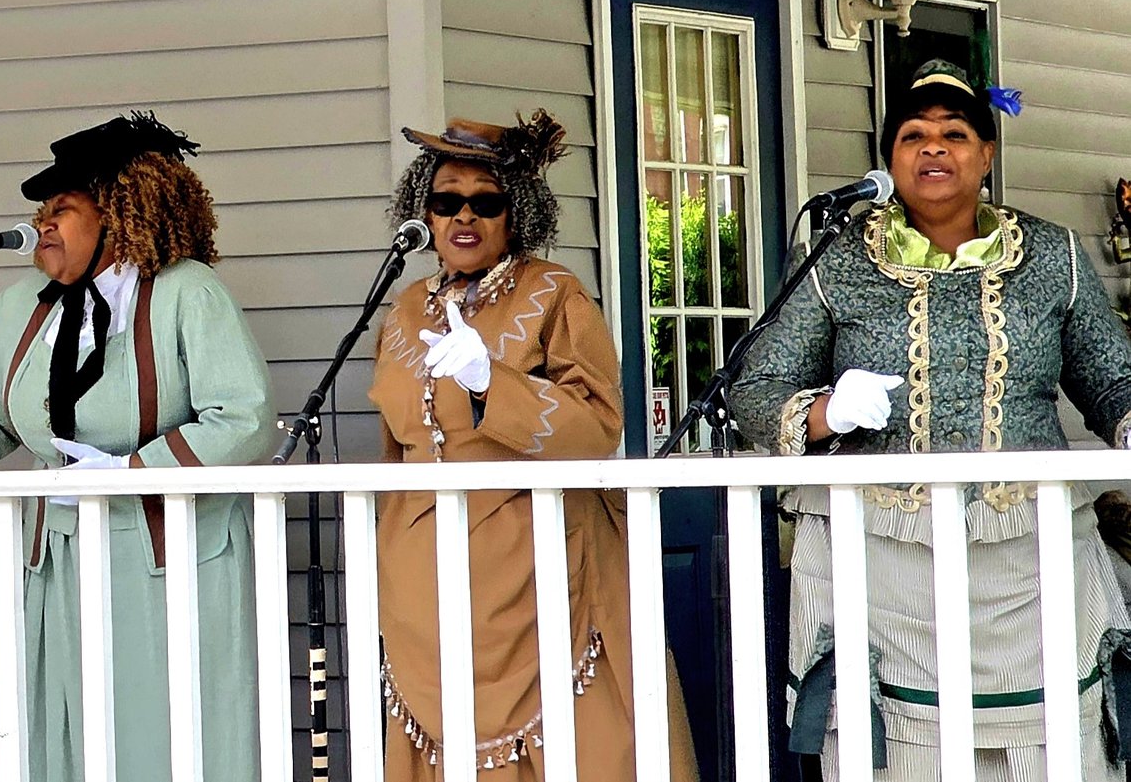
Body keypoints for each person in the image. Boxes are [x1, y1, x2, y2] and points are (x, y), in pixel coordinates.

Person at [734, 60, 1131, 780]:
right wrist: (828, 412)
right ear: (889, 158)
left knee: (1050, 752)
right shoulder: (835, 258)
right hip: (882, 564)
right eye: (913, 135)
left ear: (987, 152)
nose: (933, 147)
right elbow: (755, 385)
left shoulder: (1055, 255)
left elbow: (1112, 376)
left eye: (954, 132)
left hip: (1031, 558)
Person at [0, 112, 274, 780]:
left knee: (162, 735)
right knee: (65, 735)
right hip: (56, 557)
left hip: (166, 557)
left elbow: (246, 418)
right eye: (41, 210)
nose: (43, 224)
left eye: (62, 208)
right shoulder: (21, 305)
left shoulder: (189, 293)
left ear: (119, 214)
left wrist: (129, 469)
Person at [367, 111, 696, 779]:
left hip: (541, 564)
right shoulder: (402, 308)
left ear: (515, 213)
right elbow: (399, 447)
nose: (464, 217)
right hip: (425, 575)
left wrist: (493, 384)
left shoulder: (554, 293)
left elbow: (599, 423)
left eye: (485, 203)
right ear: (422, 213)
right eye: (445, 200)